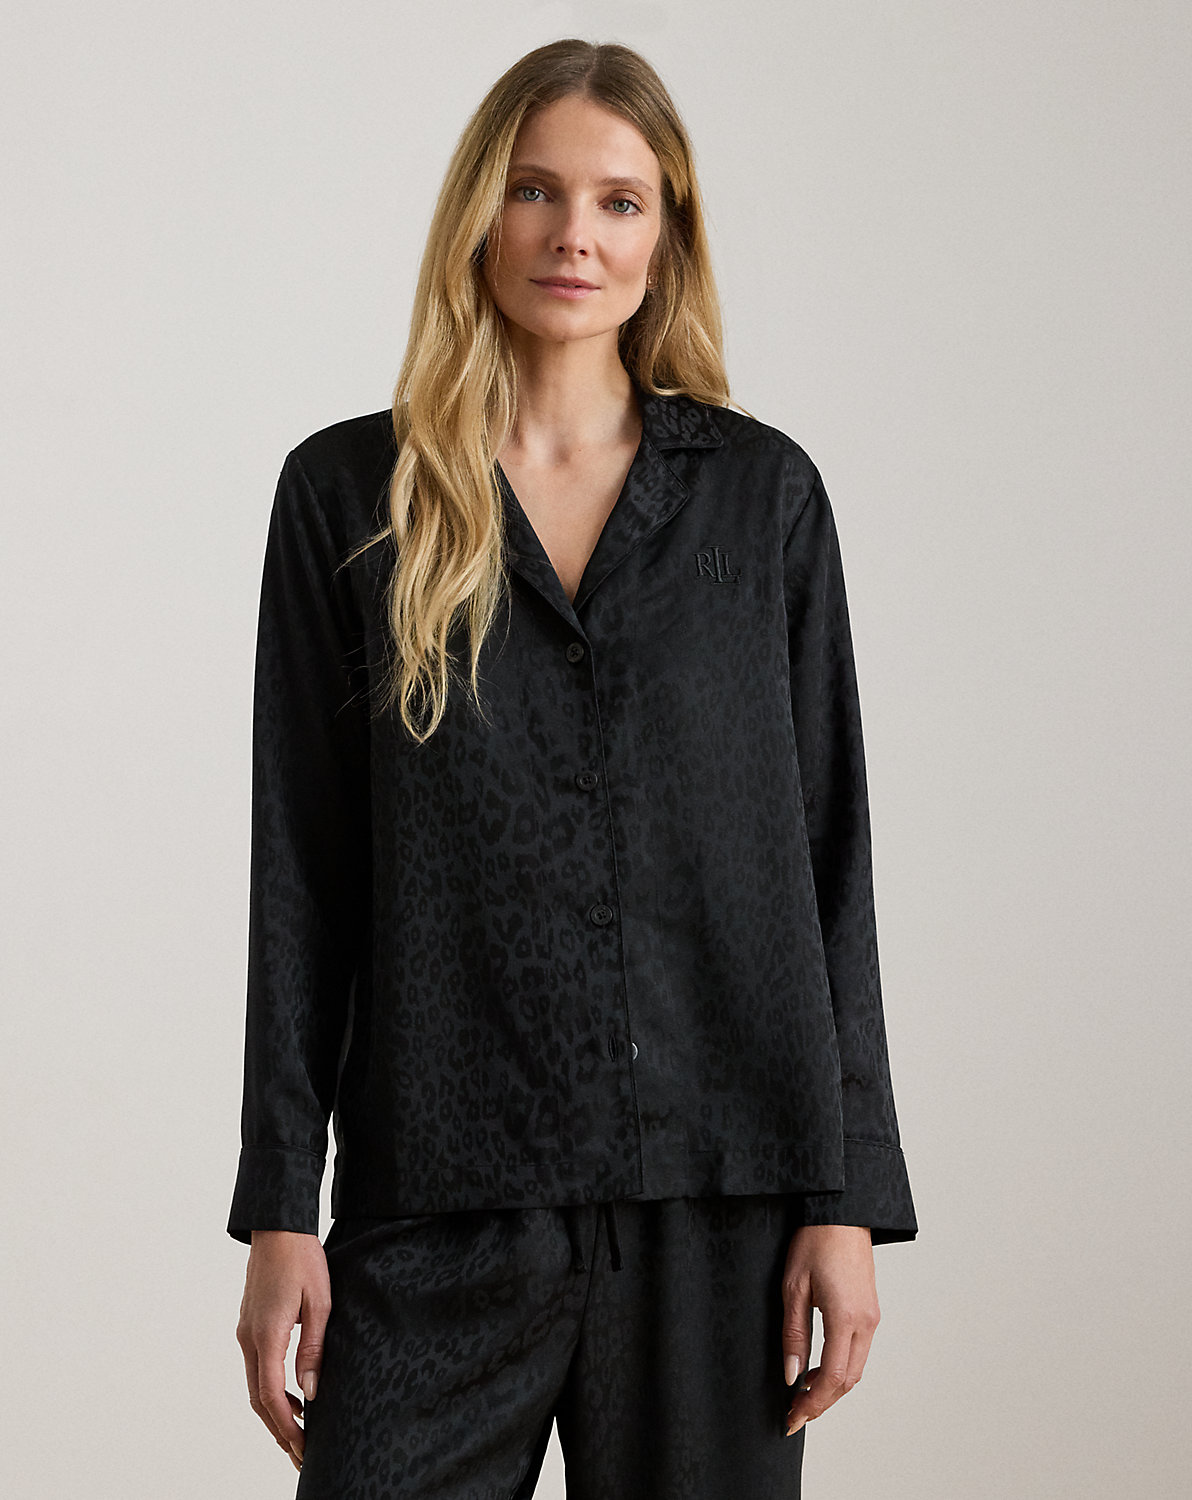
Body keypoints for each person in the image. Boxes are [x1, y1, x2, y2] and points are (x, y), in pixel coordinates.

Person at [229, 36, 917, 1500]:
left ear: (667, 237)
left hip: (720, 1203)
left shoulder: (762, 500)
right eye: (536, 191)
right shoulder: (350, 497)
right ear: (480, 211)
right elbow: (303, 872)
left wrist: (848, 1198)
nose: (574, 237)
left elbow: (828, 861)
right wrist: (281, 1205)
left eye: (620, 201)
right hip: (441, 1197)